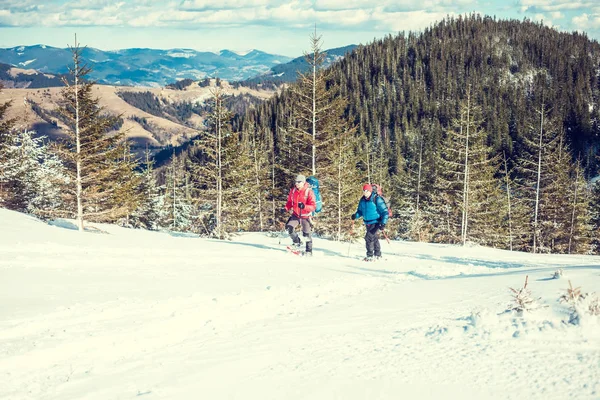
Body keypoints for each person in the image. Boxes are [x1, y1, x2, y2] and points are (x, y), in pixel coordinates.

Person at [351, 183, 389, 261]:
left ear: (370, 191)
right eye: (364, 191)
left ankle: (369, 255)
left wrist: (383, 223)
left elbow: (385, 212)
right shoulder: (362, 200)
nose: (365, 192)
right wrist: (356, 215)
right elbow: (360, 211)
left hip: (376, 222)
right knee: (374, 238)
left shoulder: (376, 199)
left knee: (368, 237)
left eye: (367, 191)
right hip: (367, 222)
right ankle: (378, 254)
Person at [285, 174, 317, 256]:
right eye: (296, 182)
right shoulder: (293, 191)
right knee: (289, 228)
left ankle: (309, 251)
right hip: (296, 215)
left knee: (306, 234)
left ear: (303, 182)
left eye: (299, 182)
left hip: (306, 216)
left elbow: (313, 206)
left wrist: (304, 206)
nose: (297, 183)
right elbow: (289, 202)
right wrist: (285, 208)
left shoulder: (308, 191)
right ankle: (297, 242)